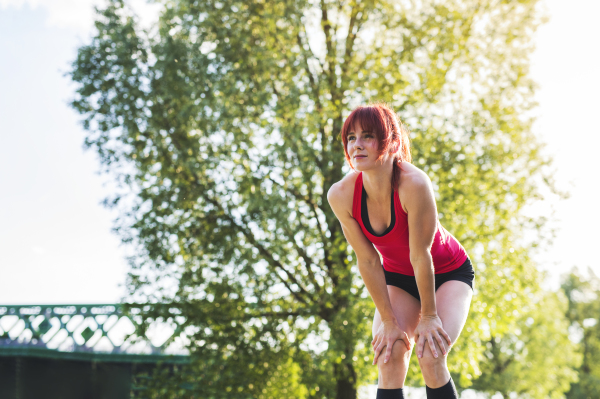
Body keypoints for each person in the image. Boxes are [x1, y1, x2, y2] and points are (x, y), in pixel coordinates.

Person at [327, 103, 475, 399]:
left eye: (367, 136)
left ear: (392, 143)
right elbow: (368, 261)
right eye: (351, 138)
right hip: (397, 277)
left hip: (447, 273)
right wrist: (390, 323)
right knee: (389, 354)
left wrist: (429, 317)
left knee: (431, 354)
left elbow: (421, 255)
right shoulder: (341, 195)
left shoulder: (414, 184)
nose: (357, 145)